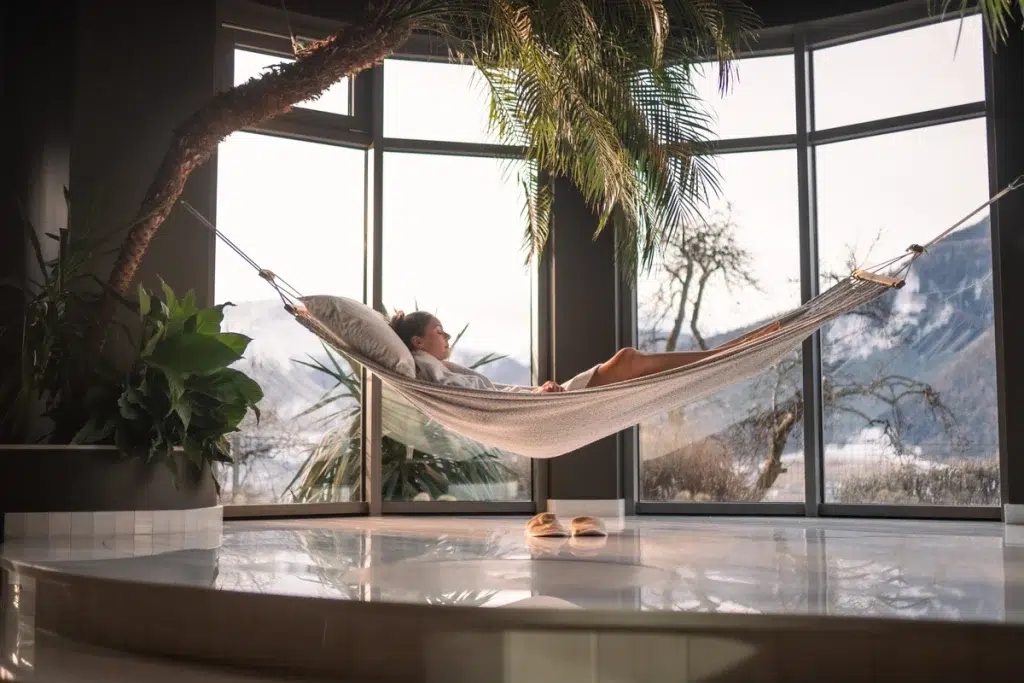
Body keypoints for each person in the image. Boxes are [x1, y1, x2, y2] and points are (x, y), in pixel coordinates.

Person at [389, 310, 781, 393]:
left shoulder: (438, 365)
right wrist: (536, 397)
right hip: (539, 408)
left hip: (539, 402)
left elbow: (485, 394)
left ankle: (726, 352)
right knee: (628, 359)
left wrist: (535, 393)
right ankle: (726, 352)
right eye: (439, 331)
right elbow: (477, 396)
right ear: (419, 342)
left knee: (629, 360)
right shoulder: (429, 369)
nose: (448, 335)